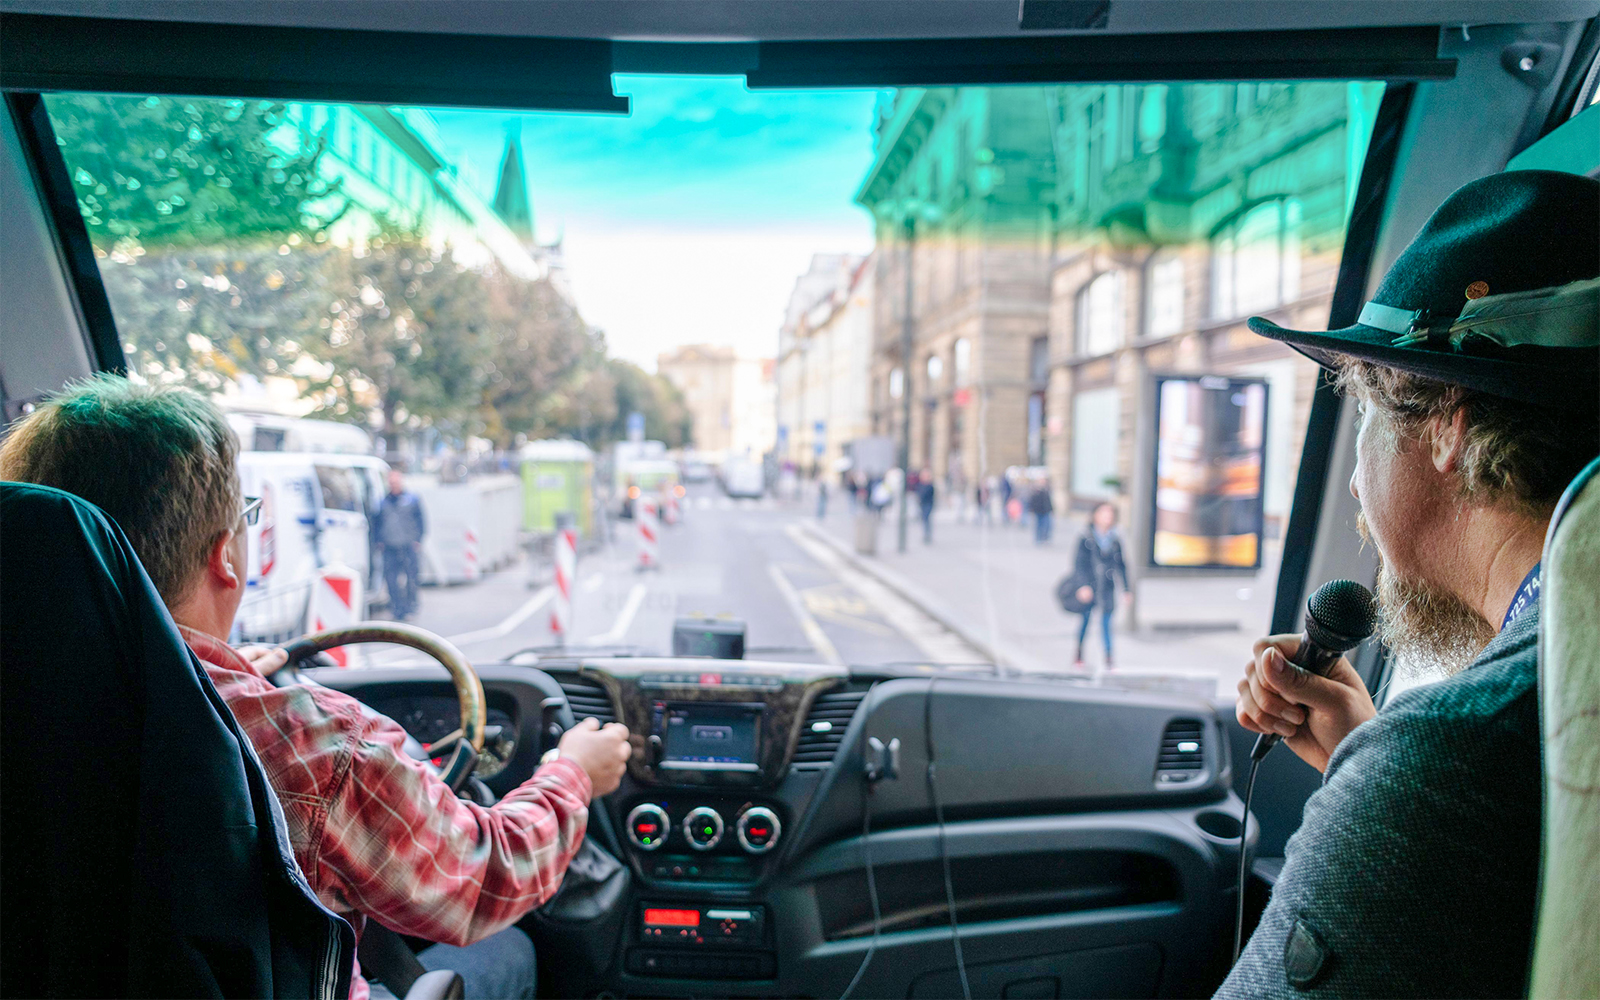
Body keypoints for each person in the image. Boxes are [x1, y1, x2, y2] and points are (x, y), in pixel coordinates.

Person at [0, 376, 635, 1000]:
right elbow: (487, 880)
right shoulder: (318, 745)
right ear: (226, 555)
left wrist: (225, 668)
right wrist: (573, 773)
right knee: (512, 952)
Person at [1219, 170, 1600, 998]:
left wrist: (1393, 776)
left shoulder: (1453, 755)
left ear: (1448, 429)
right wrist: (1364, 748)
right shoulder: (1541, 704)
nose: (1355, 486)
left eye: (1367, 418)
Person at [1071, 501, 1129, 667]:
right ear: (1095, 516)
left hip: (1107, 587)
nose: (1107, 517)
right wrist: (1083, 585)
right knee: (1085, 621)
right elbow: (1078, 564)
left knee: (1106, 624)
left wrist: (1126, 589)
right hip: (1090, 586)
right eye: (1104, 513)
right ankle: (1079, 653)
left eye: (1110, 514)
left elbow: (1122, 565)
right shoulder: (1086, 537)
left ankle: (1109, 658)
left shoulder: (1115, 539)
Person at [373, 468, 425, 622]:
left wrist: (418, 539)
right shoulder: (382, 502)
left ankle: (410, 605)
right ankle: (396, 607)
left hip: (408, 545)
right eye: (391, 482)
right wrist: (379, 542)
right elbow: (376, 524)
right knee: (391, 578)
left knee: (411, 577)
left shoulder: (412, 499)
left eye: (396, 481)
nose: (394, 484)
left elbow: (421, 521)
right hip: (389, 546)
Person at [1028, 479, 1055, 544]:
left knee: (1047, 525)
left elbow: (1048, 502)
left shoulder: (1046, 491)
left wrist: (1051, 509)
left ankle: (1044, 538)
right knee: (1039, 525)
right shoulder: (1036, 492)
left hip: (1046, 511)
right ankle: (1038, 538)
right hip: (1039, 511)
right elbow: (1033, 502)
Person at [916, 469, 936, 544]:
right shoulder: (920, 485)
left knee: (926, 519)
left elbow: (927, 495)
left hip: (928, 504)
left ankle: (927, 534)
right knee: (924, 520)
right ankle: (926, 534)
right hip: (922, 504)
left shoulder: (930, 486)